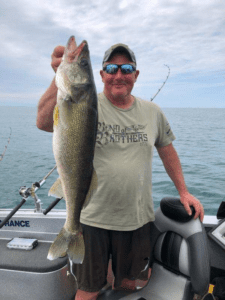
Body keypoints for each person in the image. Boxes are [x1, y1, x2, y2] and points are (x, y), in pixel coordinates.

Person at [36, 40, 204, 300]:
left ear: (136, 75)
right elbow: (44, 122)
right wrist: (57, 75)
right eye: (111, 68)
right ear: (101, 75)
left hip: (137, 220)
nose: (118, 75)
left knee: (127, 285)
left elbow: (167, 150)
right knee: (88, 290)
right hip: (91, 220)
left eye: (126, 69)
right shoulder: (86, 102)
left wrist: (183, 191)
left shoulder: (152, 112)